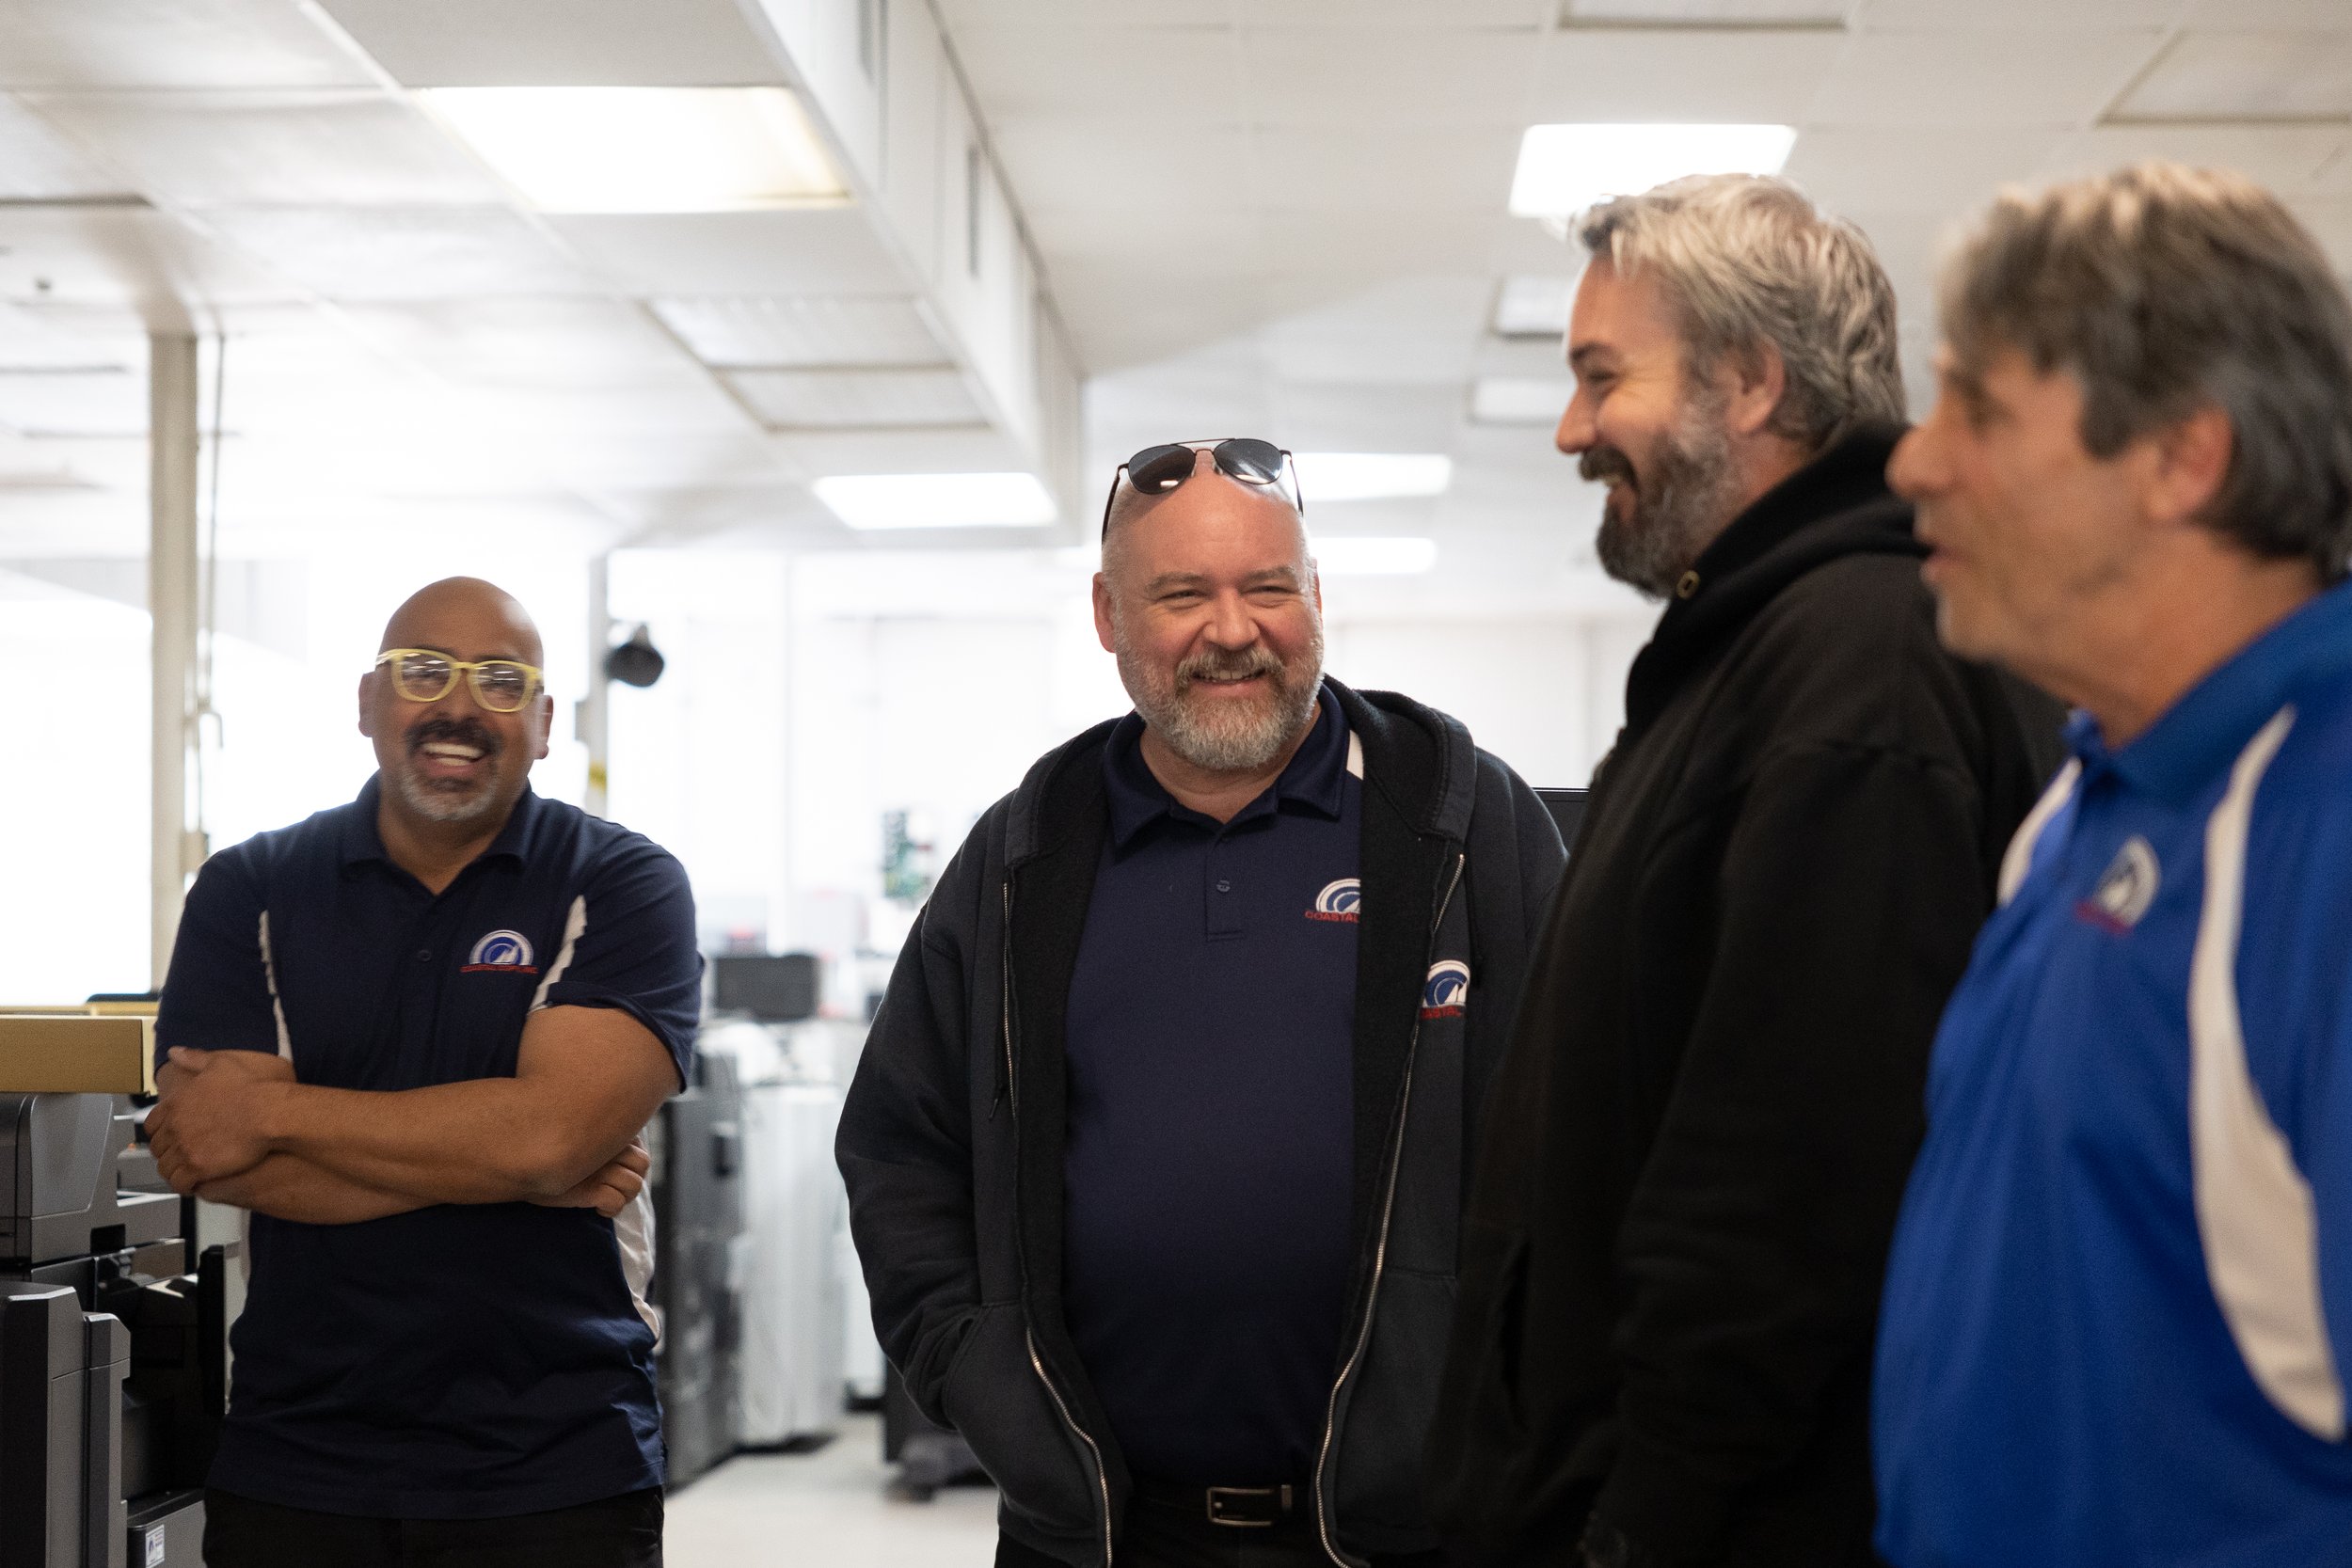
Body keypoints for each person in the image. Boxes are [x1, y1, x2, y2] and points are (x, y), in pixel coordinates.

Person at [1424, 175, 2064, 1568]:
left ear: (1754, 382)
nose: (1571, 426)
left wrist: (1643, 1513)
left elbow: (1798, 1164)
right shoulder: (1759, 652)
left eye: (1604, 377)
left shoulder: (1860, 664)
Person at [837, 438, 1568, 1568]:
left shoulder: (1466, 831)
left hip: (1418, 1530)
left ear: (1315, 595)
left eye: (1267, 587)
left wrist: (1515, 1401)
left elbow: (1584, 1136)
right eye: (1182, 594)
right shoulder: (1023, 857)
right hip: (1101, 1531)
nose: (1233, 630)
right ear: (1107, 613)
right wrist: (978, 1373)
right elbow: (901, 1146)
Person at [1871, 164, 2352, 1567]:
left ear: (2180, 457)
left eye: (1979, 408)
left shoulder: (2317, 829)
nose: (1914, 458)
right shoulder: (2084, 807)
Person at [144, 577, 700, 1568]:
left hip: (559, 1463)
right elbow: (209, 1151)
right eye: (424, 671)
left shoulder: (621, 881)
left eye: (498, 680)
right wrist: (520, 1171)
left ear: (541, 722)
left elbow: (545, 1137)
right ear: (368, 701)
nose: (457, 706)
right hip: (296, 1458)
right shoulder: (252, 886)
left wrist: (276, 1111)